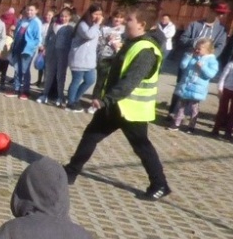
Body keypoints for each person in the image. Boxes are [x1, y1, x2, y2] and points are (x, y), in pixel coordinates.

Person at [65, 11, 171, 200]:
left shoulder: (146, 49)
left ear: (142, 24)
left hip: (132, 110)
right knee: (91, 136)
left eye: (129, 19)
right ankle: (71, 171)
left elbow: (130, 81)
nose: (124, 22)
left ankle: (160, 185)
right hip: (116, 106)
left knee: (142, 146)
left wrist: (106, 100)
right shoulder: (132, 43)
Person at [169, 38, 219, 133]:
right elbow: (183, 66)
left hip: (197, 88)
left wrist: (203, 67)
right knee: (181, 106)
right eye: (196, 48)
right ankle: (176, 123)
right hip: (186, 85)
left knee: (193, 108)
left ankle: (191, 126)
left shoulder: (211, 61)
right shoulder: (193, 56)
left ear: (208, 50)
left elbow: (211, 74)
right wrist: (188, 57)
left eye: (199, 49)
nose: (196, 50)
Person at [66, 4, 102, 112]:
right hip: (79, 58)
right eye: (95, 14)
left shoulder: (95, 26)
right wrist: (97, 24)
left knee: (90, 80)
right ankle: (70, 103)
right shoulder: (82, 25)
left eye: (100, 14)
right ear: (89, 14)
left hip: (89, 60)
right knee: (76, 80)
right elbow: (88, 35)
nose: (98, 17)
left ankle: (76, 99)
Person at [38, 6, 74, 106]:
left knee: (60, 76)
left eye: (66, 16)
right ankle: (45, 94)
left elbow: (72, 42)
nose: (63, 18)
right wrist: (44, 47)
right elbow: (47, 37)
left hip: (63, 54)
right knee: (48, 74)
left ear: (70, 17)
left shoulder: (70, 28)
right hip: (51, 53)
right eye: (62, 16)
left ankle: (60, 96)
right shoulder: (53, 24)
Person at [90, 12, 125, 112]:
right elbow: (98, 42)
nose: (118, 20)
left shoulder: (124, 30)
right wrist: (108, 40)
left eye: (121, 18)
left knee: (114, 82)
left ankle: (107, 104)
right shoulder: (104, 28)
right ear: (112, 17)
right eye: (116, 17)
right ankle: (94, 103)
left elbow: (127, 43)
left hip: (118, 58)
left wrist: (119, 45)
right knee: (100, 81)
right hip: (104, 57)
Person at [8, 4, 42, 99]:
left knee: (24, 70)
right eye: (28, 10)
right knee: (17, 68)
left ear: (36, 11)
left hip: (27, 49)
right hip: (18, 47)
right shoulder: (23, 20)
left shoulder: (36, 22)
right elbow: (17, 32)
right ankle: (16, 89)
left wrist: (33, 47)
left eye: (31, 10)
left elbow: (38, 38)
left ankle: (26, 91)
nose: (29, 12)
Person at [212, 45, 233, 143]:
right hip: (226, 89)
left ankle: (228, 132)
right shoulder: (231, 64)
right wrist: (220, 89)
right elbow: (223, 77)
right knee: (222, 110)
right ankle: (216, 129)